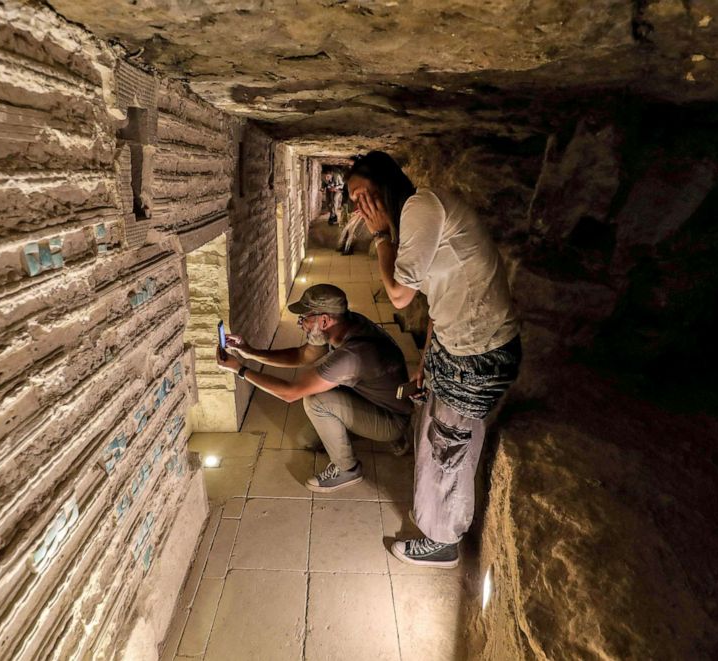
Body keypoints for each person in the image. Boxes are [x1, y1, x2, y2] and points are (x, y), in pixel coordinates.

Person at [347, 150, 521, 568]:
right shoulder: (412, 219)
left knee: (449, 447)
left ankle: (443, 541)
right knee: (433, 434)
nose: (360, 208)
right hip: (454, 345)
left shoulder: (421, 207)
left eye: (363, 196)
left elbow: (400, 294)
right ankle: (432, 517)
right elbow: (436, 300)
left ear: (384, 186)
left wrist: (380, 235)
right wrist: (427, 359)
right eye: (353, 201)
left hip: (478, 353)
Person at [215, 283, 412, 492]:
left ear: (324, 320)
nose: (301, 324)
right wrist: (249, 351)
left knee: (315, 401)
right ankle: (363, 431)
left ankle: (348, 469)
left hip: (392, 419)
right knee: (307, 440)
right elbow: (304, 356)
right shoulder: (346, 324)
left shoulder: (352, 354)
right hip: (379, 398)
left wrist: (240, 370)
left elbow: (290, 393)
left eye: (305, 318)